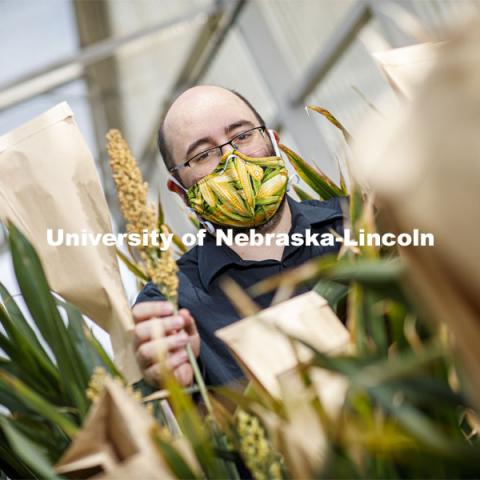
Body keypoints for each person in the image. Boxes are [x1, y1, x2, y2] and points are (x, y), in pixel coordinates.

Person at [132, 85, 346, 388]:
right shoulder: (172, 305)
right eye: (203, 154)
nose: (233, 160)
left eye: (243, 136)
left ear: (274, 141)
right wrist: (179, 389)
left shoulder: (362, 225)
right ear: (180, 192)